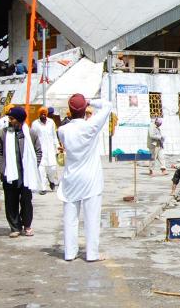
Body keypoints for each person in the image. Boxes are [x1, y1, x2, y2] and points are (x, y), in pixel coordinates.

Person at [56, 94, 112, 262]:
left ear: (70, 111)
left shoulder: (62, 130)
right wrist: (90, 101)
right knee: (92, 218)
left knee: (70, 218)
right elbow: (107, 105)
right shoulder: (91, 127)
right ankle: (92, 253)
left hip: (71, 177)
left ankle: (69, 253)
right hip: (91, 178)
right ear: (84, 109)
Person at [0, 106, 42, 238]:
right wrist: (3, 168)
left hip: (26, 175)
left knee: (26, 201)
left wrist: (33, 166)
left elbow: (38, 152)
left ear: (19, 120)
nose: (9, 121)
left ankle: (27, 225)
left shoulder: (30, 134)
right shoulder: (4, 133)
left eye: (12, 118)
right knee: (10, 201)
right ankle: (15, 227)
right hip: (10, 175)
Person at [31, 107, 60, 194]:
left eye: (44, 114)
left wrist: (57, 146)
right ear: (39, 115)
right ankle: (43, 187)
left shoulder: (51, 122)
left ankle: (51, 180)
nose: (43, 116)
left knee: (53, 168)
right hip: (40, 150)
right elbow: (33, 137)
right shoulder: (35, 124)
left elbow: (54, 135)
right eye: (41, 114)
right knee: (41, 169)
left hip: (50, 149)